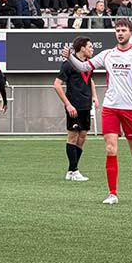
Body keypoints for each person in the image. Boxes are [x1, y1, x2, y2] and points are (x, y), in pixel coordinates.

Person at [62, 19, 132, 204]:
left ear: (131, 33)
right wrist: (70, 57)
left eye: (123, 30)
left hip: (130, 109)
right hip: (110, 108)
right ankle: (113, 193)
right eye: (117, 30)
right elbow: (83, 66)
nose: (120, 33)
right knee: (111, 149)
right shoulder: (107, 55)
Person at [53, 36, 97, 181]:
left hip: (86, 105)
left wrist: (95, 96)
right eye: (90, 46)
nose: (92, 49)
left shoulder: (88, 64)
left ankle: (71, 171)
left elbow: (90, 80)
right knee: (72, 137)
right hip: (74, 106)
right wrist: (68, 104)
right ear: (82, 48)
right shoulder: (68, 65)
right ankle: (74, 170)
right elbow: (57, 85)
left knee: (82, 136)